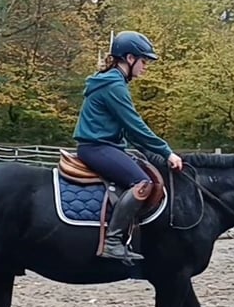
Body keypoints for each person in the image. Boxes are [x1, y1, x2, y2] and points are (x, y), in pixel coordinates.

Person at [72, 30, 183, 264]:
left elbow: (127, 129)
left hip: (104, 145)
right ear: (129, 59)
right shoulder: (114, 85)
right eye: (143, 61)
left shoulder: (113, 82)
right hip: (97, 147)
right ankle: (112, 242)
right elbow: (135, 126)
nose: (145, 67)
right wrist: (166, 151)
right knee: (142, 183)